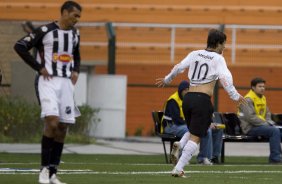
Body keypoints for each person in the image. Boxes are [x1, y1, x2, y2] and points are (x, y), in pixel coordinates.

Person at [156, 29, 246, 177]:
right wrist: (235, 96)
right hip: (202, 100)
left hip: (188, 98)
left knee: (192, 131)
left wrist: (167, 79)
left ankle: (180, 144)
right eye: (224, 44)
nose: (225, 47)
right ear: (218, 44)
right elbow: (225, 79)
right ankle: (178, 169)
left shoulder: (194, 53)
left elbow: (179, 67)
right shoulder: (218, 59)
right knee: (197, 137)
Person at [14, 1, 82, 184]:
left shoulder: (75, 34)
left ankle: (53, 173)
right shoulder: (45, 31)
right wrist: (38, 67)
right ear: (65, 12)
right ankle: (43, 170)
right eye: (75, 15)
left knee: (62, 128)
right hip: (48, 81)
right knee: (52, 121)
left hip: (66, 84)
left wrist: (76, 70)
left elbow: (76, 54)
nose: (77, 19)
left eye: (79, 17)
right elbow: (20, 46)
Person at [162, 80, 222, 165]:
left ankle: (205, 158)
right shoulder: (173, 100)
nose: (187, 91)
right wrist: (195, 125)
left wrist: (206, 123)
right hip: (171, 126)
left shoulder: (191, 99)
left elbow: (202, 114)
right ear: (181, 90)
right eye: (185, 90)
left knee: (207, 130)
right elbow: (177, 120)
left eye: (188, 89)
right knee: (189, 130)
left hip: (185, 125)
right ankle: (182, 157)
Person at [238, 77, 282, 164]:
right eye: (260, 86)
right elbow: (250, 117)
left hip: (261, 126)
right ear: (253, 88)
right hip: (250, 128)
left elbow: (267, 113)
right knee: (274, 131)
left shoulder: (263, 98)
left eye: (263, 86)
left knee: (279, 130)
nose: (262, 88)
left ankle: (278, 156)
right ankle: (275, 158)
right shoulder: (247, 99)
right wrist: (266, 124)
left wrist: (269, 122)